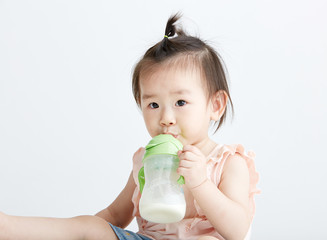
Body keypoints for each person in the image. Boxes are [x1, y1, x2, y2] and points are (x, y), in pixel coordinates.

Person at [0, 13, 259, 240]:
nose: (166, 117)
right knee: (92, 226)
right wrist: (87, 231)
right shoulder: (147, 160)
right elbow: (116, 214)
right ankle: (9, 228)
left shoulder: (228, 162)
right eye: (153, 105)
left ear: (215, 105)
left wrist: (201, 182)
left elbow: (237, 231)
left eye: (181, 102)